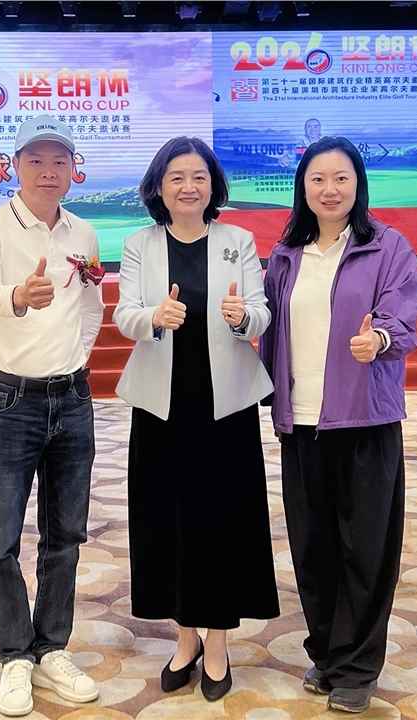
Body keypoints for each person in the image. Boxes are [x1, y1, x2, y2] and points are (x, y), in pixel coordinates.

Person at [259, 136, 417, 713]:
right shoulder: (286, 254)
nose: (329, 190)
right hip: (301, 422)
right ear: (302, 188)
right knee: (313, 547)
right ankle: (328, 652)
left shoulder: (387, 247)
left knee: (366, 549)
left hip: (365, 420)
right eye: (318, 179)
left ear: (358, 185)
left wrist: (379, 340)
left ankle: (357, 667)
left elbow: (402, 321)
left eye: (341, 178)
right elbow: (269, 327)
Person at [114, 136, 279, 702]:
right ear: (159, 187)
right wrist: (153, 317)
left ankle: (218, 643)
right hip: (162, 408)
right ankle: (184, 638)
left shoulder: (238, 240)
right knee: (169, 522)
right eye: (177, 177)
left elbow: (260, 312)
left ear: (213, 186)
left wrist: (241, 318)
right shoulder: (140, 244)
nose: (189, 187)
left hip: (224, 407)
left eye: (199, 177)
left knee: (223, 522)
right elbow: (124, 315)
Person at [0, 115, 105, 718]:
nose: (49, 172)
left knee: (65, 535)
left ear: (73, 171)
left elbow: (93, 305)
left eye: (60, 162)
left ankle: (52, 648)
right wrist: (20, 298)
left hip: (72, 398)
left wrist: (77, 357)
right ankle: (15, 655)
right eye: (37, 160)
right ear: (15, 165)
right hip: (7, 401)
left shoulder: (84, 231)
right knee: (2, 540)